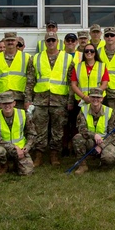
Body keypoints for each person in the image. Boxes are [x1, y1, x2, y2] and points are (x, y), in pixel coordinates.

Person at [25, 31, 74, 166]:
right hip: (40, 100)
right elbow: (30, 81)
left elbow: (72, 82)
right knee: (39, 129)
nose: (51, 43)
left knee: (58, 130)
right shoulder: (35, 58)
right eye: (48, 40)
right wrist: (28, 100)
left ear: (57, 42)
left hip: (60, 100)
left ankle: (54, 155)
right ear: (45, 43)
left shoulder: (68, 58)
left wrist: (70, 101)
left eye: (53, 40)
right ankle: (39, 155)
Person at [71, 88, 115, 175]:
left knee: (109, 157)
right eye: (93, 97)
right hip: (91, 140)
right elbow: (81, 129)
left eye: (98, 97)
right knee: (77, 138)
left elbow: (113, 133)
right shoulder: (83, 110)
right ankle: (82, 165)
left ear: (102, 99)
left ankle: (103, 163)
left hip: (106, 141)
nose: (95, 99)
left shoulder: (109, 112)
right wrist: (94, 135)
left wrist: (101, 146)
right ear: (89, 98)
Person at [0, 91, 35, 176]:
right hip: (3, 148)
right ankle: (3, 166)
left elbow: (32, 133)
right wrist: (14, 147)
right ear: (0, 105)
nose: (7, 106)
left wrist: (27, 147)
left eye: (9, 103)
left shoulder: (23, 114)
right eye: (4, 103)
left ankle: (16, 164)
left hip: (21, 150)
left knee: (27, 172)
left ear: (14, 103)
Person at [0, 32, 28, 109]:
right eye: (8, 40)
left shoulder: (27, 58)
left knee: (20, 120)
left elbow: (31, 80)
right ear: (4, 42)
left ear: (16, 42)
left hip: (20, 98)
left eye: (12, 40)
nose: (10, 42)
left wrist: (28, 99)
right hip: (2, 98)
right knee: (2, 121)